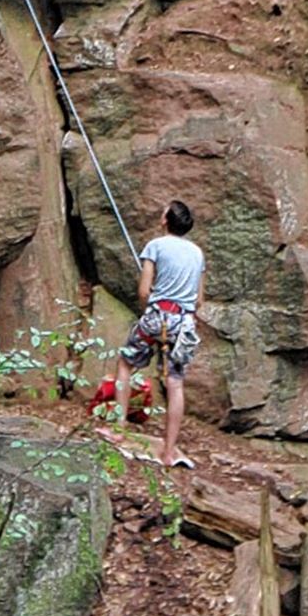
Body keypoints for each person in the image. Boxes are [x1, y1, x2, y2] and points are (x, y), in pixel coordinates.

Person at [112, 200, 205, 468]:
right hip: (184, 324)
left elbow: (143, 292)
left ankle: (119, 430)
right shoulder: (197, 253)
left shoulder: (155, 246)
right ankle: (169, 450)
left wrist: (154, 301)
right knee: (175, 382)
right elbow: (198, 300)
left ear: (166, 219)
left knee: (125, 364)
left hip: (157, 318)